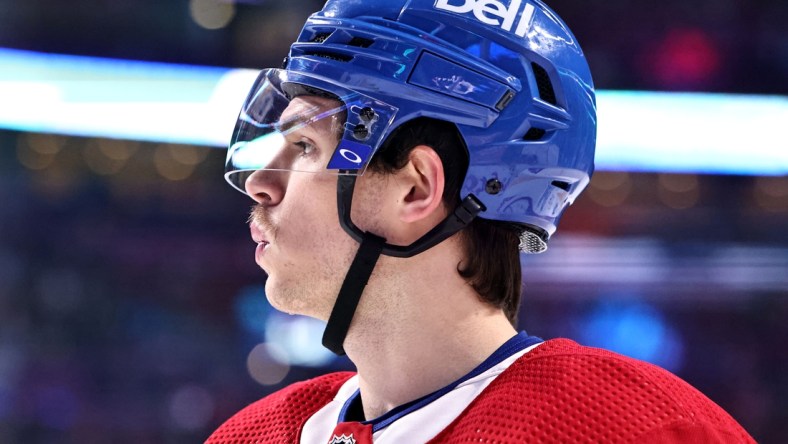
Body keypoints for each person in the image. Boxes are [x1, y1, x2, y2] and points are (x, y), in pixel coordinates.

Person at [207, 0, 755, 442]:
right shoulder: (253, 433)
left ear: (417, 189)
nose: (261, 182)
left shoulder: (638, 430)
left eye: (304, 144)